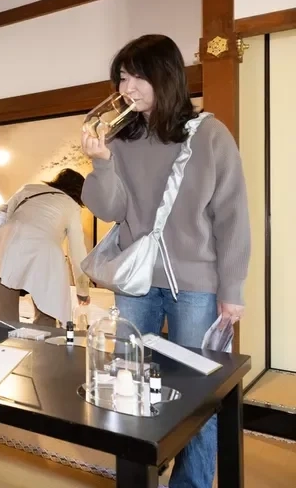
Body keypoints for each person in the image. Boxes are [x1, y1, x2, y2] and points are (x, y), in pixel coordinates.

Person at [80, 34, 250, 488]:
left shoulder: (210, 134)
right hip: (136, 282)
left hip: (196, 285)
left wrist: (232, 291)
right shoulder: (119, 135)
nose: (127, 86)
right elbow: (110, 209)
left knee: (199, 395)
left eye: (137, 75)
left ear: (166, 76)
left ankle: (189, 483)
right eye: (122, 76)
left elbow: (232, 217)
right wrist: (99, 163)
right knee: (128, 387)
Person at [0, 168, 90, 326]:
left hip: (7, 242)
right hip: (44, 251)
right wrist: (82, 291)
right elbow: (77, 252)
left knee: (4, 317)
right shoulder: (71, 205)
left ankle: (4, 348)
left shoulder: (28, 189)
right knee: (46, 315)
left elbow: (4, 214)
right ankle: (41, 348)